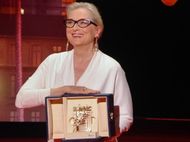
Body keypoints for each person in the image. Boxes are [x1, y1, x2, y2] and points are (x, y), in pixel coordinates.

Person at [15, 1, 133, 142]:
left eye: (83, 22)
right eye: (70, 22)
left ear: (97, 30)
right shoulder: (52, 62)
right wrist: (60, 91)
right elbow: (21, 99)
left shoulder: (112, 67)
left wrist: (108, 132)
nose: (74, 28)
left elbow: (126, 116)